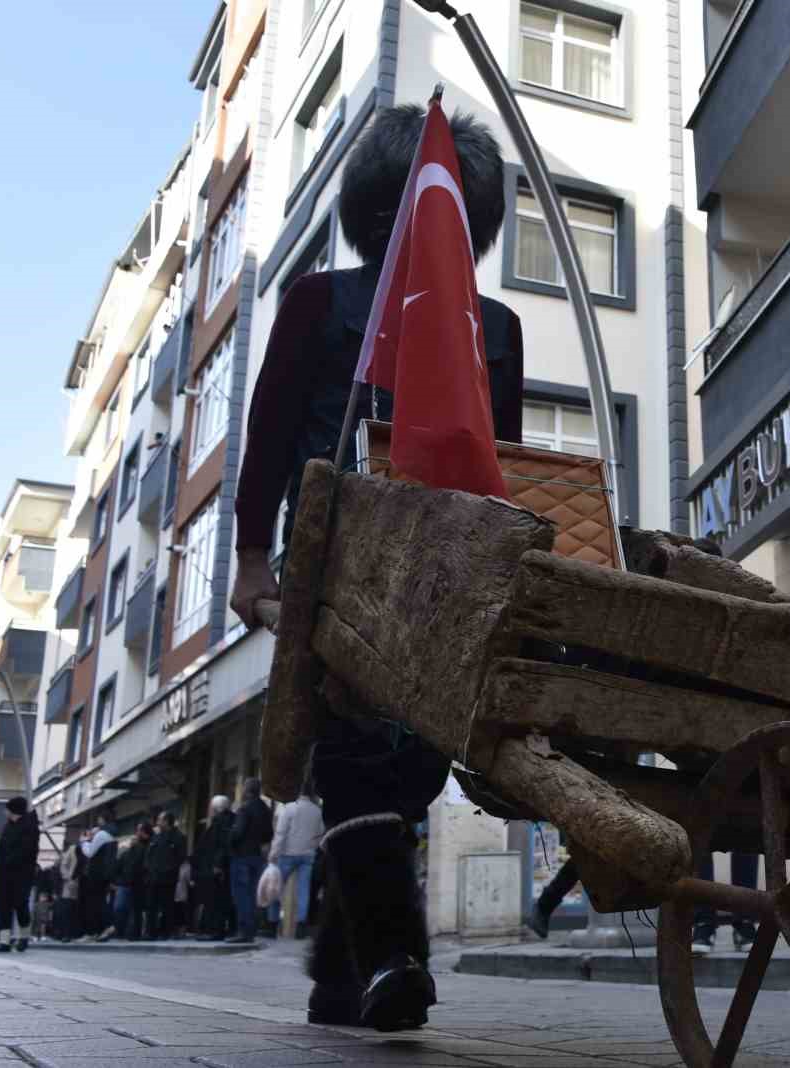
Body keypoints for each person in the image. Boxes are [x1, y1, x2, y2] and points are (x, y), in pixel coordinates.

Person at [228, 103, 521, 1032]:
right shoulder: (317, 301)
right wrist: (246, 559)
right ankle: (395, 957)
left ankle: (334, 976)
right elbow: (271, 434)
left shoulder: (497, 328)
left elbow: (496, 467)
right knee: (354, 757)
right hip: (333, 569)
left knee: (410, 774)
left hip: (440, 581)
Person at [269, 782, 324, 937]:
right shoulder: (316, 811)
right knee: (303, 890)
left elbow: (281, 833)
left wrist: (274, 853)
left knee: (276, 888)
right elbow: (320, 833)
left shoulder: (290, 808)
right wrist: (311, 847)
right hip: (307, 855)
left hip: (287, 853)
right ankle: (301, 925)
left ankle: (272, 923)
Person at [228, 779, 274, 944]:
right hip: (257, 857)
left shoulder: (244, 809)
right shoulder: (265, 809)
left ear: (247, 791)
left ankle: (244, 931)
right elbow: (269, 833)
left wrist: (230, 839)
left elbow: (238, 833)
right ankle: (252, 930)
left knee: (242, 895)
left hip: (242, 856)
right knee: (254, 894)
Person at [0, 797, 37, 953]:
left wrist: (7, 861)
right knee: (3, 905)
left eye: (7, 809)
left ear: (14, 810)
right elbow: (2, 848)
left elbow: (26, 851)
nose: (5, 812)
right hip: (4, 873)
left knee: (20, 904)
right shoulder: (8, 826)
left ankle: (24, 937)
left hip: (21, 874)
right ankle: (4, 941)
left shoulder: (29, 827)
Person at [193, 796, 235, 940]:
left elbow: (222, 845)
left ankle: (216, 931)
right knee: (220, 900)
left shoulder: (222, 821)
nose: (209, 810)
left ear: (217, 809)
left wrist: (218, 864)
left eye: (211, 808)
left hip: (217, 869)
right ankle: (219, 930)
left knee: (217, 900)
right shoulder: (227, 820)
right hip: (219, 867)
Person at [145, 811, 186, 940]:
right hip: (154, 877)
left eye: (160, 820)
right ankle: (150, 932)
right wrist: (150, 869)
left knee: (167, 906)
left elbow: (180, 857)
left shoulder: (178, 837)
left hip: (168, 878)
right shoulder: (156, 836)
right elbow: (149, 855)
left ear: (167, 821)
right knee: (151, 905)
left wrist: (169, 870)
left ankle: (165, 932)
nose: (158, 822)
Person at [110, 822, 152, 941]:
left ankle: (131, 933)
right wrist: (117, 881)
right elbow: (117, 868)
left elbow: (143, 867)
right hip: (125, 884)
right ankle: (121, 932)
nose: (134, 839)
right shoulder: (126, 854)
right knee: (120, 909)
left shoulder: (144, 849)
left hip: (136, 884)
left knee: (134, 910)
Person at [79, 815, 118, 942]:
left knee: (95, 903)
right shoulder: (111, 834)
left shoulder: (102, 834)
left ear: (102, 820)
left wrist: (84, 841)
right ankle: (101, 929)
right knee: (99, 901)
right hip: (103, 874)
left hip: (97, 874)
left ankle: (104, 927)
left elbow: (90, 852)